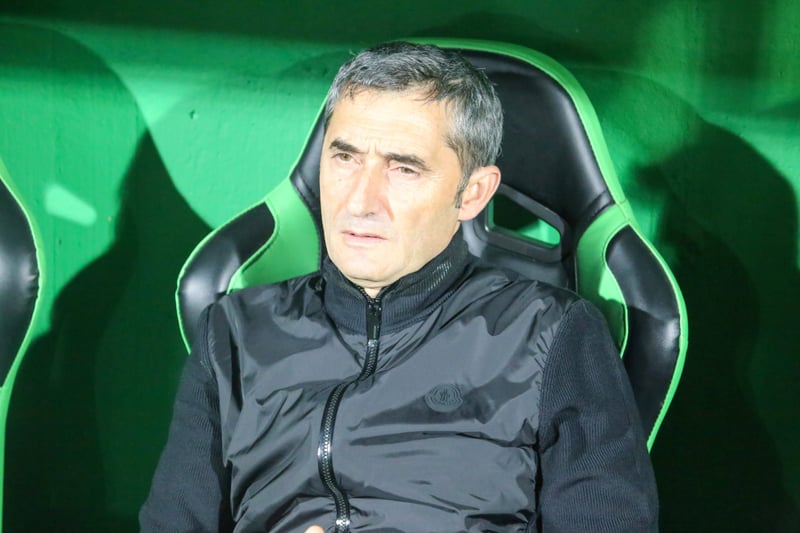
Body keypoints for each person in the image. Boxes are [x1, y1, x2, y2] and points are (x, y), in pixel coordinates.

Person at [140, 42, 658, 532]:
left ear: (473, 193)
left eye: (404, 169)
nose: (359, 201)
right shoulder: (235, 332)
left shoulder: (551, 334)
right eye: (344, 158)